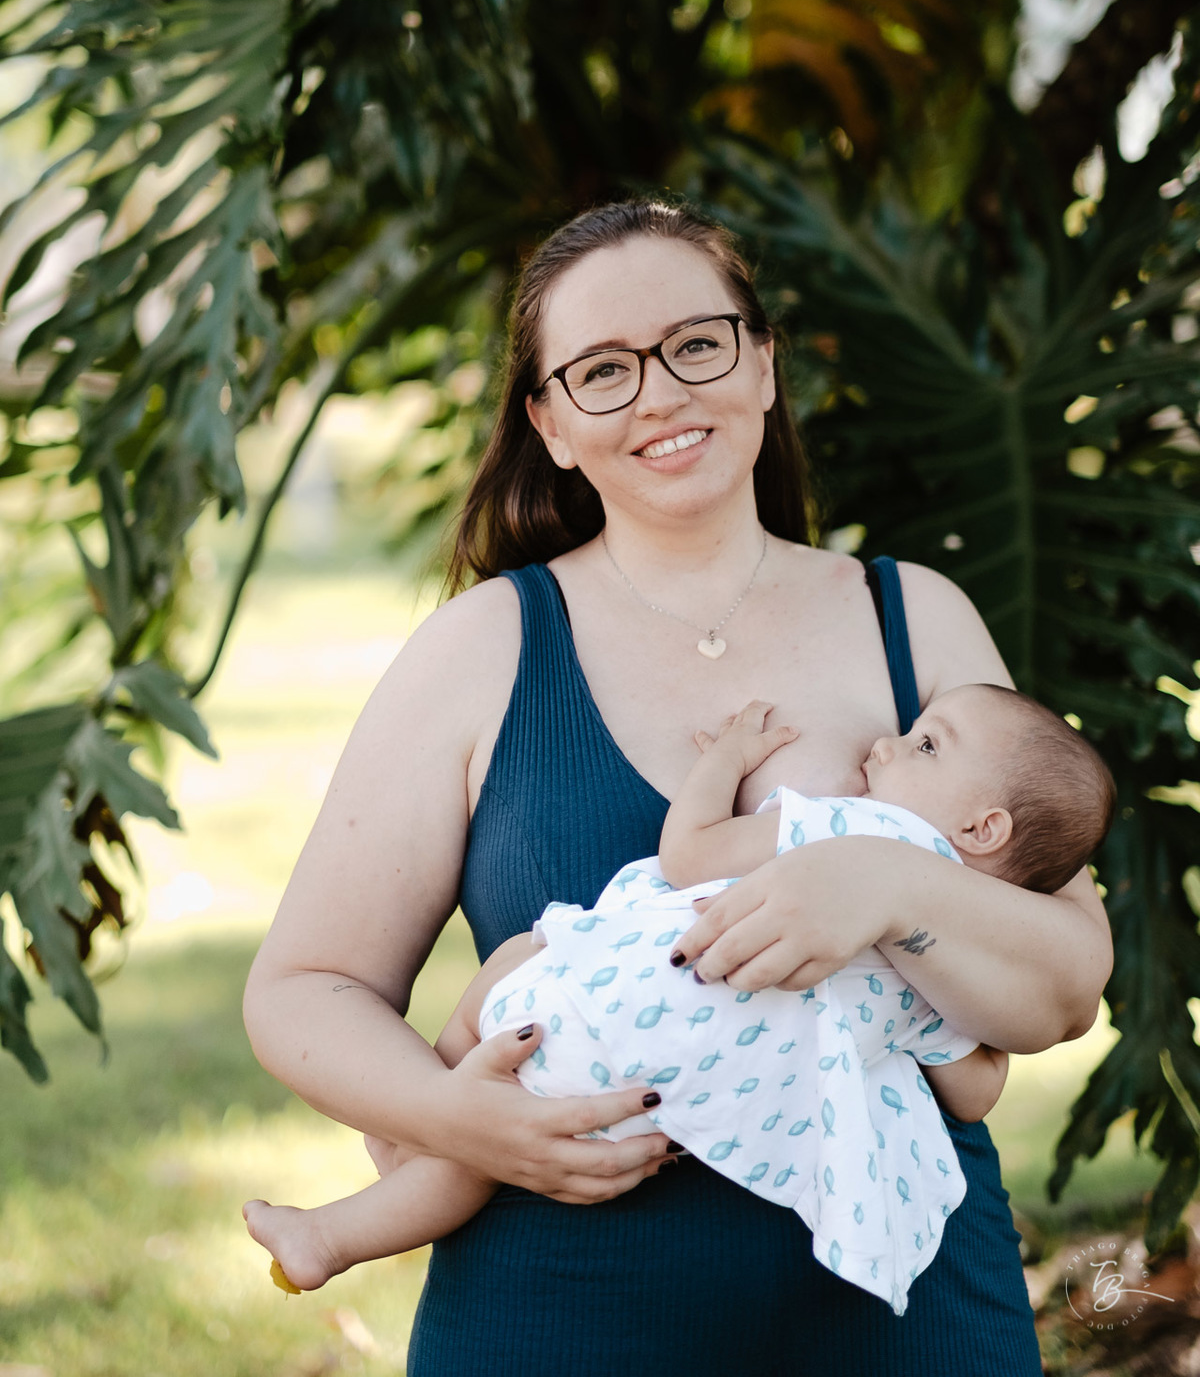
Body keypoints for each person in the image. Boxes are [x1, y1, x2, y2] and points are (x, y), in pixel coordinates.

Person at [241, 199, 1113, 1376]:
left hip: (909, 1319)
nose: (659, 393)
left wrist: (879, 884)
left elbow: (1061, 991)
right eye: (602, 371)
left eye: (695, 344)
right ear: (548, 424)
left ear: (760, 363)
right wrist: (457, 1119)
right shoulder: (482, 651)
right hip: (558, 1318)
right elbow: (305, 988)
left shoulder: (914, 621)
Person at [243, 685, 1114, 1315]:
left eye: (925, 746)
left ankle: (377, 1180)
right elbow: (975, 1090)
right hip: (664, 1087)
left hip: (604, 1001)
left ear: (983, 828)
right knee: (483, 1139)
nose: (884, 747)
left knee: (506, 1012)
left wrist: (726, 758)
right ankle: (362, 1205)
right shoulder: (952, 958)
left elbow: (691, 855)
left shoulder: (849, 828)